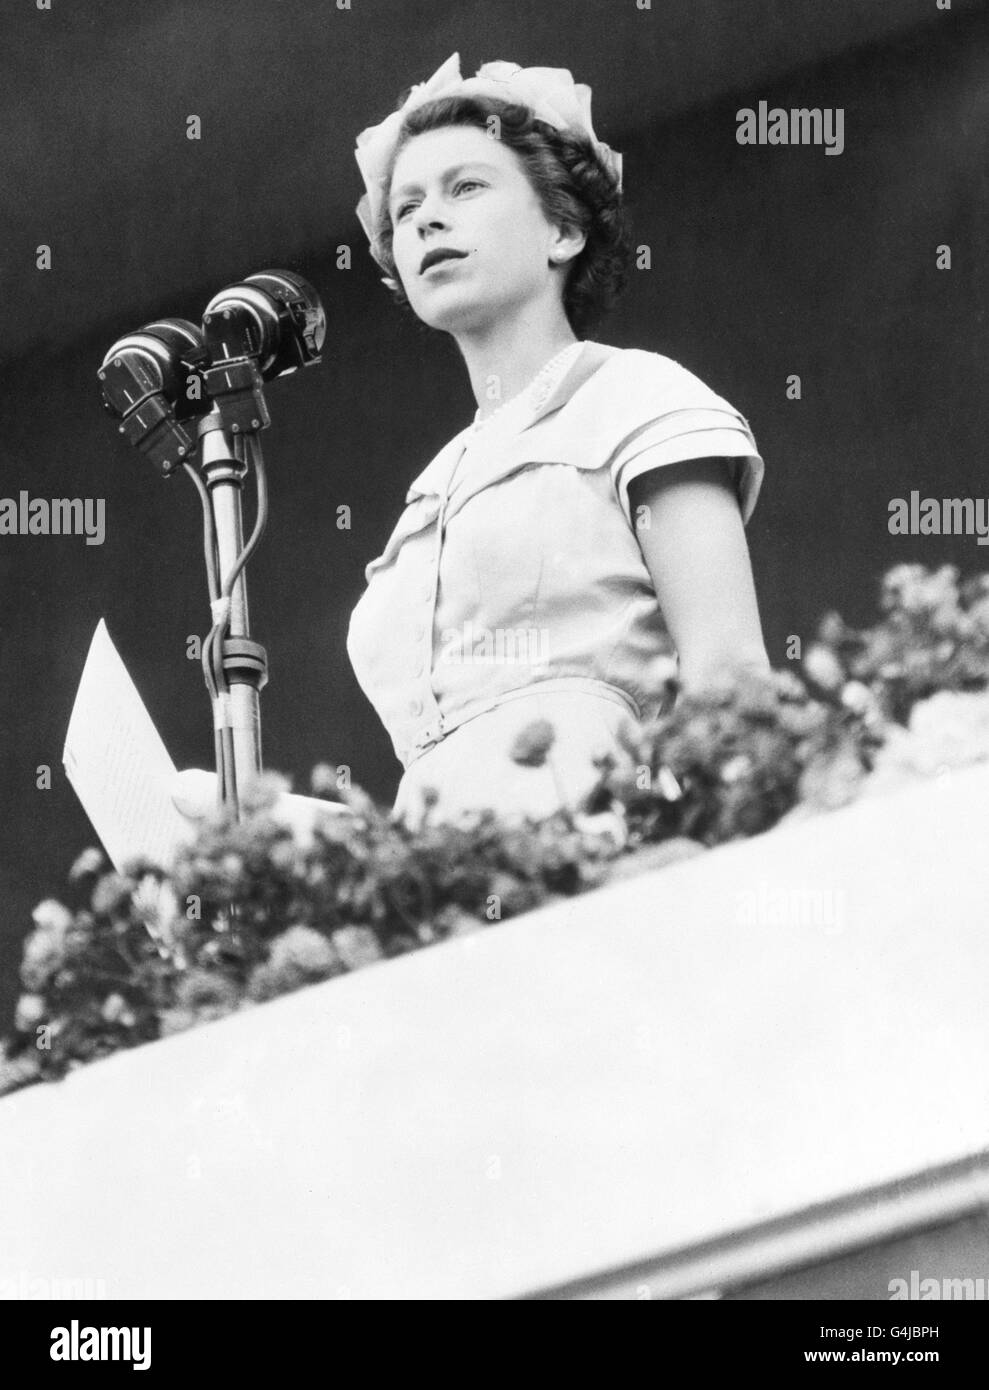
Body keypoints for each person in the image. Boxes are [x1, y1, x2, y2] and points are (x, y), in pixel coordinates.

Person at [172, 53, 771, 836]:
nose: (424, 218)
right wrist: (283, 828)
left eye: (466, 187)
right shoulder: (430, 492)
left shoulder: (637, 397)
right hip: (447, 908)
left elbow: (732, 687)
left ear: (562, 229)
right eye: (408, 205)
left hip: (612, 868)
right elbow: (433, 821)